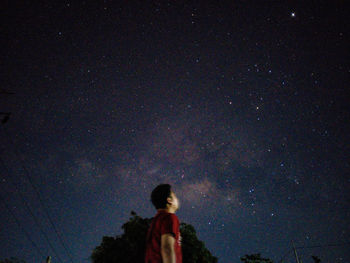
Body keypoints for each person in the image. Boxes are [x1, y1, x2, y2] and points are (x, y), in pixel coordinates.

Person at [145, 184, 182, 263]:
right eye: (174, 196)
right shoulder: (169, 218)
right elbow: (167, 247)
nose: (177, 198)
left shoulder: (156, 220)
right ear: (169, 200)